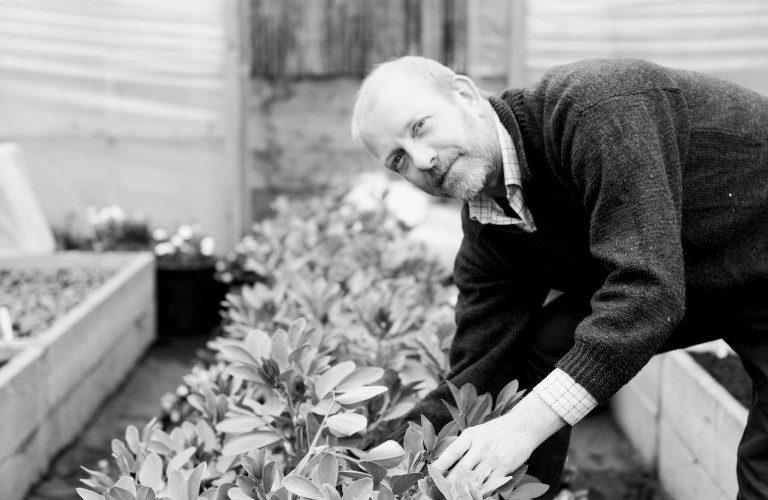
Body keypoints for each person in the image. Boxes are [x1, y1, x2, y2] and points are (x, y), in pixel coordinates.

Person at [349, 55, 768, 499]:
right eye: (399, 160)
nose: (423, 159)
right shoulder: (490, 230)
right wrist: (373, 467)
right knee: (547, 344)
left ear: (465, 95)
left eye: (420, 127)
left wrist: (523, 427)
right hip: (696, 273)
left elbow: (647, 292)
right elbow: (481, 366)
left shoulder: (597, 107)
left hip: (748, 255)